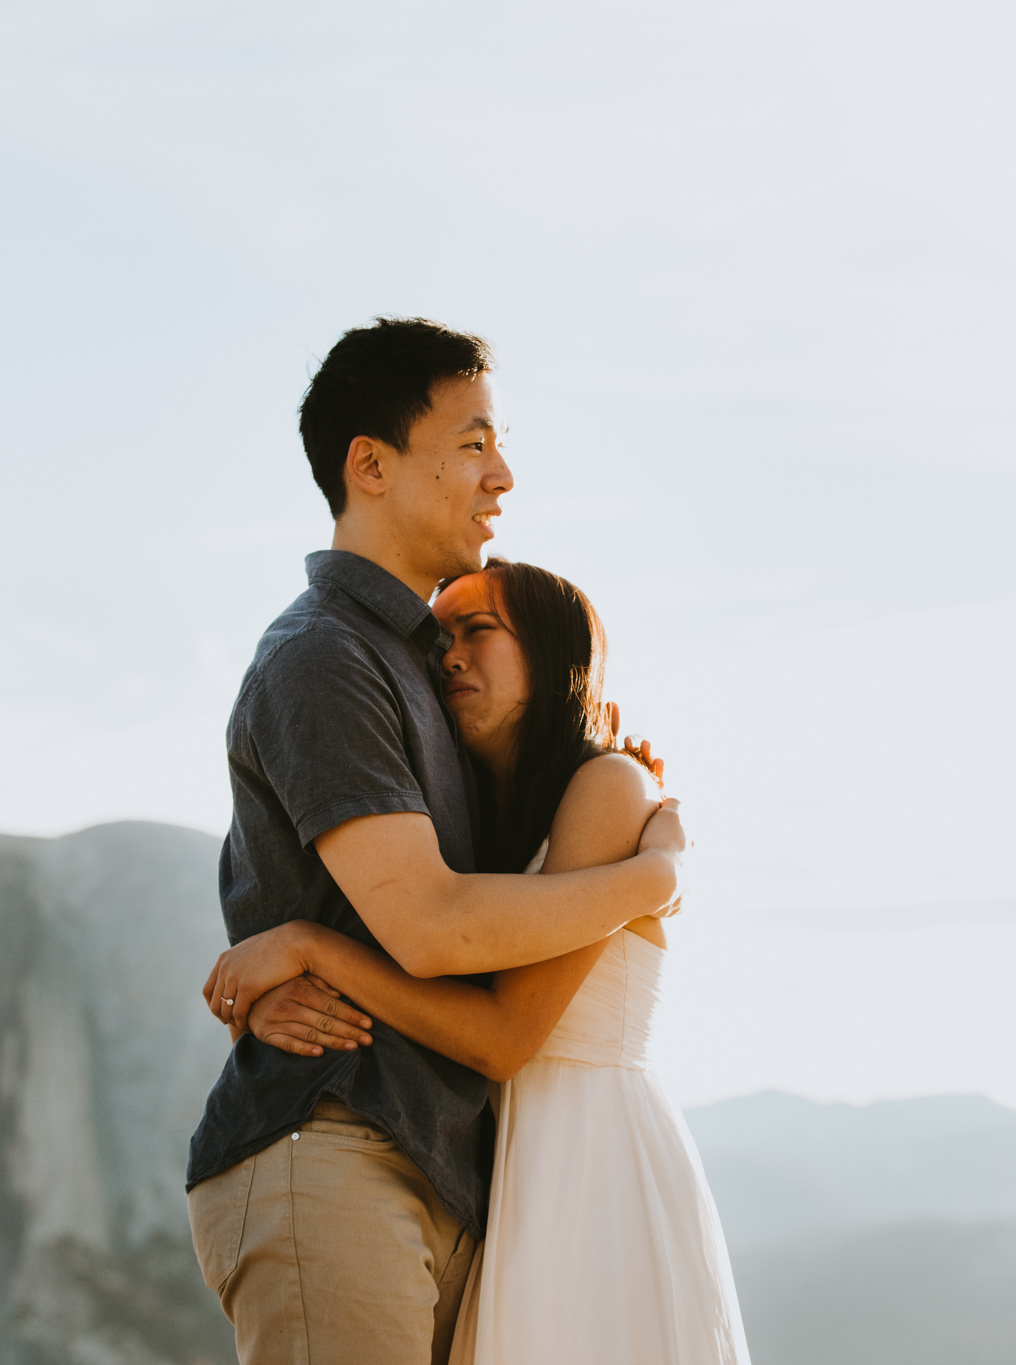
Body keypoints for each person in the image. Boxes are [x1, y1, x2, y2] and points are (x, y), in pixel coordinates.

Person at [185, 318, 690, 1365]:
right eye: (471, 443)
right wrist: (653, 874)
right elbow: (430, 924)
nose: (500, 476)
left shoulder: (424, 677)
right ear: (368, 466)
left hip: (446, 1179)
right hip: (333, 1150)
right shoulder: (324, 657)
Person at [205, 559, 751, 1364]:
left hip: (593, 1166)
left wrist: (312, 948)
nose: (448, 653)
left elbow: (502, 1037)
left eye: (479, 630)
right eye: (441, 637)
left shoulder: (605, 784)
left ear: (555, 655)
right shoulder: (482, 828)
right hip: (518, 1171)